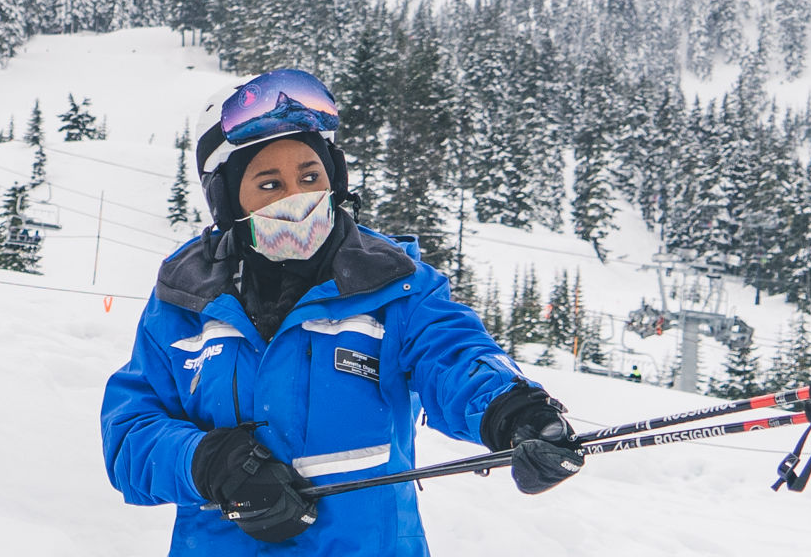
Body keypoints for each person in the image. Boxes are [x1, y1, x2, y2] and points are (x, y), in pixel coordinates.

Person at [98, 70, 588, 555]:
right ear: (227, 199)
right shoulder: (186, 296)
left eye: (310, 176)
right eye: (269, 184)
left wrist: (512, 410)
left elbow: (452, 353)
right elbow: (130, 432)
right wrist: (207, 462)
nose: (297, 198)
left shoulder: (392, 283)